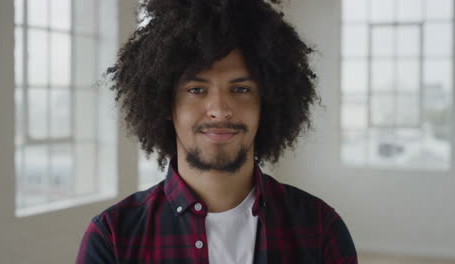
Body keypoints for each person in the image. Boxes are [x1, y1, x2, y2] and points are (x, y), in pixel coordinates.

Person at [76, 0, 358, 263]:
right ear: (164, 103)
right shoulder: (113, 238)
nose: (220, 110)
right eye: (196, 90)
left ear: (267, 102)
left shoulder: (320, 228)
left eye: (241, 89)